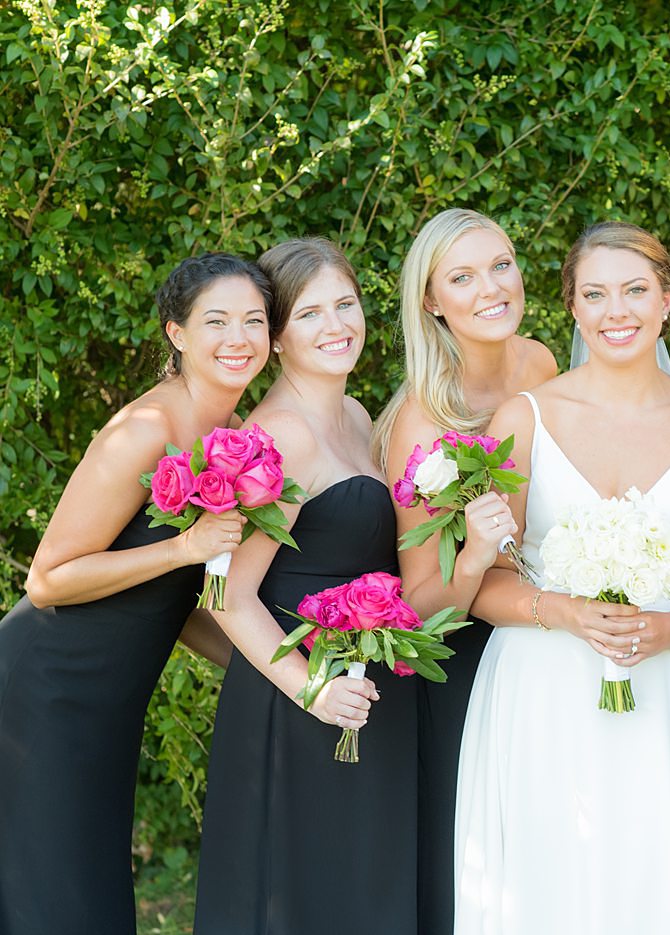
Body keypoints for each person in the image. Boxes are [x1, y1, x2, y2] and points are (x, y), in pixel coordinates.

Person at [454, 221, 670, 934]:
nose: (618, 311)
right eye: (596, 294)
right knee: (544, 888)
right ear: (573, 308)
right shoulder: (523, 419)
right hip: (539, 691)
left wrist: (668, 627)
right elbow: (485, 583)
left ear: (668, 300)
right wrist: (563, 610)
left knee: (653, 885)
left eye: (636, 290)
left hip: (662, 693)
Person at [0, 253, 269, 935]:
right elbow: (48, 576)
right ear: (176, 332)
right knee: (56, 902)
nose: (238, 337)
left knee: (84, 890)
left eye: (254, 320)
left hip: (109, 704)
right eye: (216, 320)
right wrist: (184, 546)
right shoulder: (145, 431)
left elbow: (174, 602)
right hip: (44, 692)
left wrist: (278, 672)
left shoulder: (236, 442)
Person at [194, 238, 417, 932]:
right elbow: (223, 591)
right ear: (280, 336)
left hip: (363, 690)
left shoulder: (353, 417)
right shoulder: (280, 433)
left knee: (359, 891)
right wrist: (312, 688)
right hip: (300, 707)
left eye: (345, 304)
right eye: (311, 313)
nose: (336, 325)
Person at [371, 208, 556, 934]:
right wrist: (477, 554)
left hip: (554, 633)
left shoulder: (541, 362)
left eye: (502, 264)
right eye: (463, 276)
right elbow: (422, 606)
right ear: (430, 300)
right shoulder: (423, 421)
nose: (491, 287)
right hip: (468, 667)